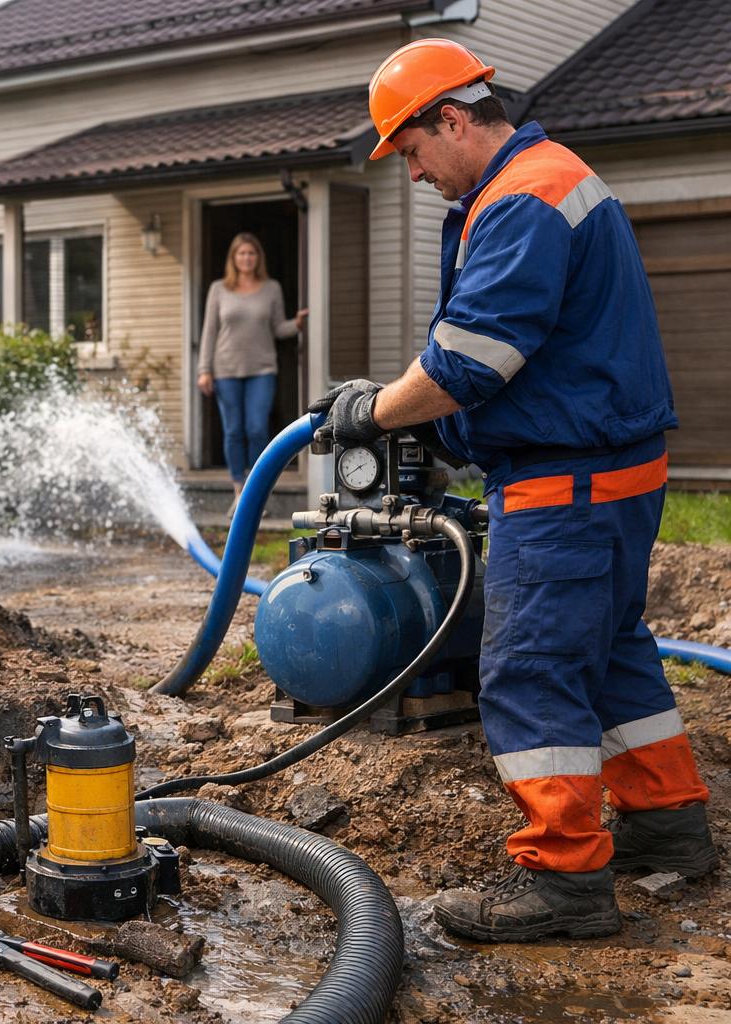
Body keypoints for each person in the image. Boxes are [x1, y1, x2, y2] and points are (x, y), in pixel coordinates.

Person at [311, 38, 716, 943]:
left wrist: (374, 412)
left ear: (451, 118)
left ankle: (566, 882)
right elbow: (503, 356)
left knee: (530, 674)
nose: (412, 174)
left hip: (565, 479)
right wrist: (435, 422)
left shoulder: (524, 196)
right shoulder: (539, 179)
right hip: (614, 467)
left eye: (411, 152)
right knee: (608, 654)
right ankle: (669, 829)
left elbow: (472, 359)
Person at [196, 232, 307, 500]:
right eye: (241, 253)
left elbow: (278, 328)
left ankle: (256, 493)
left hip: (262, 369)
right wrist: (204, 370)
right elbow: (209, 331)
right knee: (234, 431)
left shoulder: (272, 288)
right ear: (233, 258)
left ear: (258, 258)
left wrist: (298, 324)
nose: (246, 258)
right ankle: (238, 492)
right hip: (225, 370)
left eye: (251, 253)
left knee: (257, 429)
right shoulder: (219, 289)